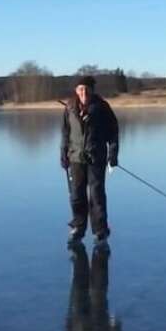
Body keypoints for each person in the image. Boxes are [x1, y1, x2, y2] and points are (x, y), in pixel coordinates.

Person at [61, 76, 119, 245]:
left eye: (86, 89)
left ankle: (101, 230)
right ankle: (78, 227)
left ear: (92, 90)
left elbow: (113, 132)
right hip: (75, 158)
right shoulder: (70, 108)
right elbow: (66, 133)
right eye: (80, 89)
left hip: (96, 158)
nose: (83, 92)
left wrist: (113, 155)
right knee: (76, 195)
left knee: (96, 195)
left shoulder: (102, 107)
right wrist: (63, 154)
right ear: (76, 91)